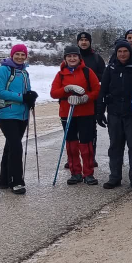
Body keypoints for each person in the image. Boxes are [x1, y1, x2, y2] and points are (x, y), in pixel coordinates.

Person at [50, 45, 102, 185]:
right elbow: (53, 93)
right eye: (69, 56)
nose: (72, 58)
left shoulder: (87, 72)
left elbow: (97, 90)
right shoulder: (61, 74)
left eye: (74, 56)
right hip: (67, 113)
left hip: (86, 112)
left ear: (79, 58)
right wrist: (66, 89)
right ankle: (75, 173)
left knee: (86, 144)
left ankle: (88, 173)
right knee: (71, 144)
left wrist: (86, 97)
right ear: (65, 58)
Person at [99, 38, 132, 190]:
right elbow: (103, 90)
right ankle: (114, 177)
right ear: (116, 53)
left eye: (125, 51)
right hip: (114, 113)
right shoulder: (111, 68)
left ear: (130, 52)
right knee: (115, 147)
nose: (122, 54)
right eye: (120, 51)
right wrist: (100, 111)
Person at [0, 43, 36, 194]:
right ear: (12, 55)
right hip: (7, 114)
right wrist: (22, 97)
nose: (20, 57)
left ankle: (4, 180)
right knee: (16, 147)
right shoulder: (3, 70)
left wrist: (30, 97)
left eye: (23, 54)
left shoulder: (24, 72)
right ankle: (16, 181)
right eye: (17, 54)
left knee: (11, 146)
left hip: (22, 115)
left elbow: (26, 92)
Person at [76, 31, 106, 169]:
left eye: (86, 40)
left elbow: (103, 79)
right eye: (81, 40)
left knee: (90, 131)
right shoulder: (72, 57)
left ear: (90, 42)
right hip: (74, 100)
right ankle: (74, 158)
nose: (83, 42)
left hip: (91, 100)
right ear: (78, 42)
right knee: (73, 131)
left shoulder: (96, 58)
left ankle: (90, 157)